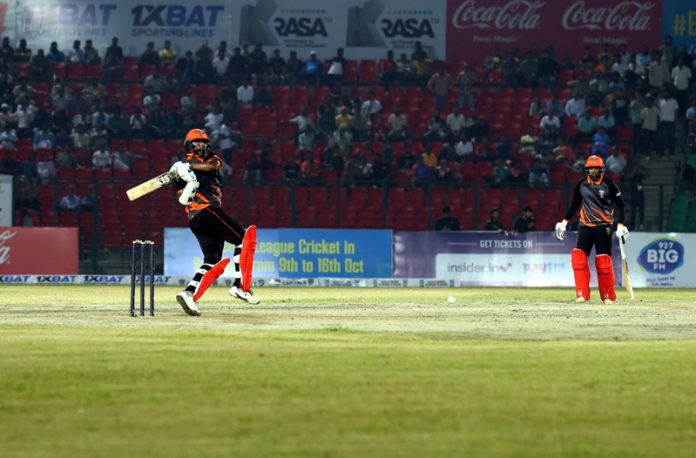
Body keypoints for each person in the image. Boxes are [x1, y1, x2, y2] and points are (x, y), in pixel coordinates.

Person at [170, 129, 260, 316]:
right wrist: (187, 181)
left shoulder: (212, 159)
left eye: (204, 142)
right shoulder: (180, 171)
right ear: (189, 145)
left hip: (196, 220)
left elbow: (211, 167)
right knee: (243, 239)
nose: (201, 145)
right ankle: (239, 287)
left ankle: (188, 293)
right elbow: (182, 199)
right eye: (197, 143)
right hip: (205, 211)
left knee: (211, 260)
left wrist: (189, 169)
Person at [554, 155, 628, 304]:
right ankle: (582, 294)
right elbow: (574, 204)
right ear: (587, 170)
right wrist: (564, 222)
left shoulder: (609, 184)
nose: (594, 171)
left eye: (596, 168)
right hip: (585, 226)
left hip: (604, 227)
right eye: (591, 168)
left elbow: (621, 206)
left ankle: (607, 296)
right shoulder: (581, 185)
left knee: (603, 260)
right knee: (579, 257)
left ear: (601, 169)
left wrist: (620, 225)